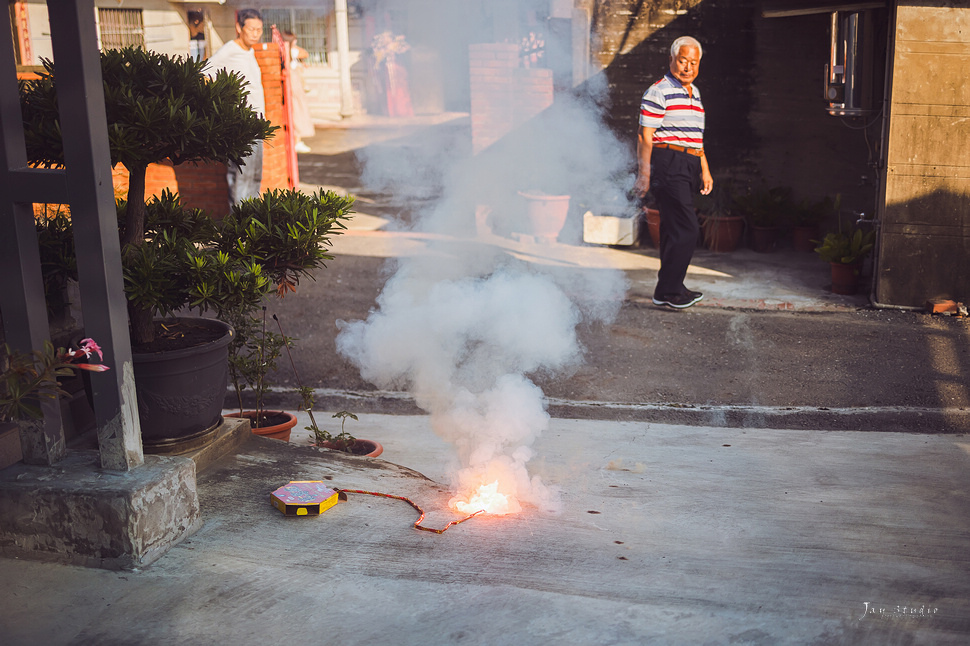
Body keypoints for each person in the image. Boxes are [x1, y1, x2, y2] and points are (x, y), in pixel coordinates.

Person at [635, 36, 714, 309]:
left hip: (689, 163)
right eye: (683, 60)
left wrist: (704, 169)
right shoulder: (659, 91)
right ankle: (672, 290)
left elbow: (696, 138)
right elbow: (645, 136)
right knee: (688, 229)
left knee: (672, 229)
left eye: (693, 62)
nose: (688, 67)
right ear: (671, 59)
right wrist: (644, 175)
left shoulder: (696, 92)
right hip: (667, 161)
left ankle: (663, 291)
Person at [204, 9, 265, 208]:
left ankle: (251, 222)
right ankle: (239, 226)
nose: (256, 33)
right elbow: (203, 73)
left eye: (259, 29)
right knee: (241, 176)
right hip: (240, 126)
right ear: (239, 27)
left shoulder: (250, 51)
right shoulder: (230, 50)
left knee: (255, 177)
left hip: (256, 125)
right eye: (252, 29)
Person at [281, 31, 314, 153]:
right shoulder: (290, 51)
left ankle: (297, 140)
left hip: (295, 84)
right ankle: (297, 141)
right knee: (297, 112)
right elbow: (304, 53)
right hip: (294, 85)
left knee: (296, 111)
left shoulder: (288, 52)